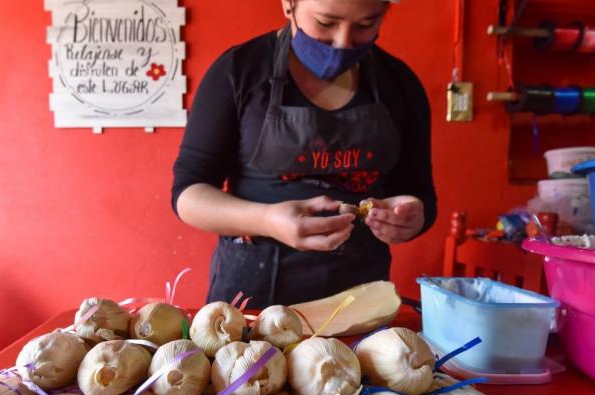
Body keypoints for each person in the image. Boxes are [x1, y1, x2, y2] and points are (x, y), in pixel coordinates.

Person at [172, 0, 436, 309]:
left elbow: (420, 194)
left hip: (359, 297)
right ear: (289, 4)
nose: (342, 43)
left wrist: (412, 217)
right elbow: (188, 195)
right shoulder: (239, 71)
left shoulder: (399, 84)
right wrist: (267, 220)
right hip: (254, 297)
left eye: (365, 25)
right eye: (325, 23)